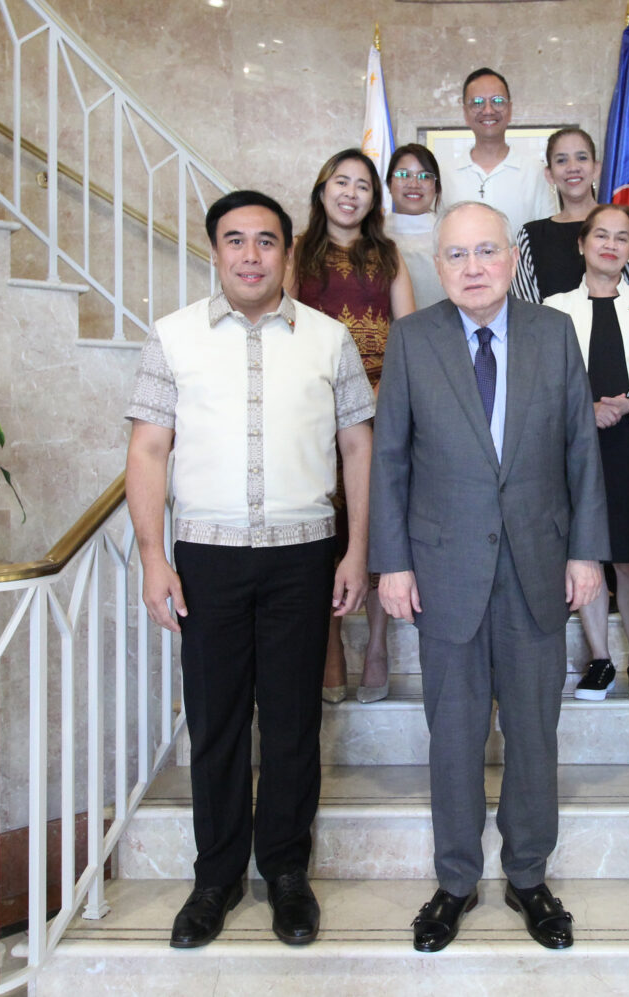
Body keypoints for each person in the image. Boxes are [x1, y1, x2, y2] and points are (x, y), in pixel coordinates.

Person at [124, 190, 374, 948]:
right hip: (208, 557)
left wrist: (356, 549)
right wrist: (151, 558)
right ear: (215, 250)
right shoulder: (171, 338)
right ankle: (216, 878)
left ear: (287, 253)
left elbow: (358, 449)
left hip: (304, 554)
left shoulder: (329, 339)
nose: (251, 255)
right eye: (235, 240)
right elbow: (147, 450)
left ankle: (288, 875)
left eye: (266, 240)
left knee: (295, 719)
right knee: (218, 720)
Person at [369, 201, 608, 953]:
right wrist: (393, 561)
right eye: (456, 255)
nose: (472, 267)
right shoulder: (413, 339)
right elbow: (391, 458)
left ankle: (530, 877)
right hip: (444, 570)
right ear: (436, 266)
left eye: (486, 251)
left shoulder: (554, 332)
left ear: (511, 257)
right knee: (455, 734)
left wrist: (586, 550)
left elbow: (579, 448)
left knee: (535, 731)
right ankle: (456, 880)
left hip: (538, 564)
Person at [289, 148, 415, 705]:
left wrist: (384, 392)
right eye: (341, 182)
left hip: (382, 406)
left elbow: (408, 335)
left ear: (374, 199)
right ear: (322, 191)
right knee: (327, 527)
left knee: (382, 520)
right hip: (317, 411)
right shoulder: (297, 253)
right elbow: (283, 329)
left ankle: (380, 645)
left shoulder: (388, 255)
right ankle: (332, 646)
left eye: (363, 185)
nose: (351, 193)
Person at [544, 204, 629, 701]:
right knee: (586, 552)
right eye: (600, 235)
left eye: (621, 238)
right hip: (576, 446)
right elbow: (543, 379)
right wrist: (588, 409)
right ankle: (601, 659)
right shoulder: (554, 307)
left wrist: (627, 403)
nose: (610, 244)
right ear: (581, 244)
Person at [512, 128, 629, 303]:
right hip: (551, 331)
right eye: (561, 160)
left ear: (596, 168)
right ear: (549, 174)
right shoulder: (530, 235)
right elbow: (527, 311)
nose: (573, 167)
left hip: (626, 329)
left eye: (582, 158)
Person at [438, 67, 555, 235]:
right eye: (477, 102)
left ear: (510, 109)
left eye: (497, 101)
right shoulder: (445, 174)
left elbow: (547, 236)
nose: (488, 110)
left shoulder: (535, 172)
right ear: (464, 112)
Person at [384, 143, 447, 308]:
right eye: (403, 175)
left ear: (436, 186)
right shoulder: (373, 233)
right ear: (389, 183)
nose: (414, 184)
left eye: (424, 176)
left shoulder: (452, 234)